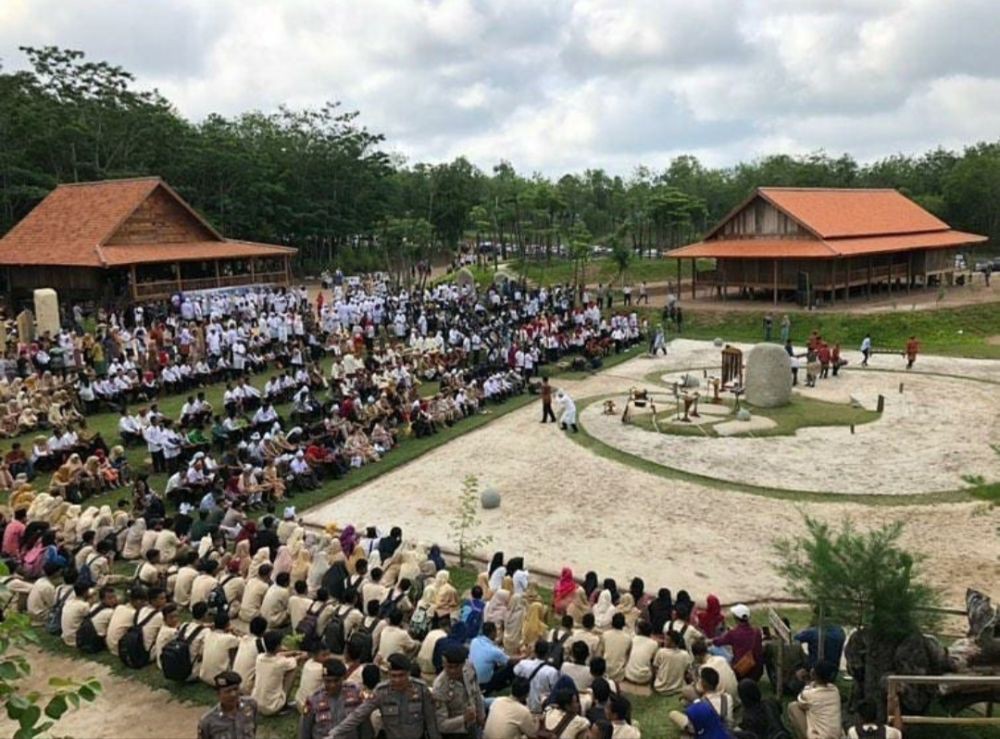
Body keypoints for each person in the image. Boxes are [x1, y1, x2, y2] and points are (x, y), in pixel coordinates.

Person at [331, 653, 440, 739]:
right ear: (388, 674)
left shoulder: (421, 689)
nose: (397, 680)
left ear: (408, 674)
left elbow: (431, 721)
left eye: (401, 675)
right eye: (393, 676)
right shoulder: (381, 692)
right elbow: (358, 714)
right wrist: (335, 733)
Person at [298, 658, 363, 739]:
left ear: (343, 678)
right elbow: (305, 731)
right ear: (323, 679)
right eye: (328, 681)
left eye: (336, 680)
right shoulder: (313, 700)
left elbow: (364, 725)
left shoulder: (355, 693)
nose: (332, 685)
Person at [432, 645, 485, 738]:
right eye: (449, 667)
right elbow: (441, 725)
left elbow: (476, 692)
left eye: (456, 667)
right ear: (443, 664)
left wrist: (481, 715)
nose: (452, 671)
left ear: (463, 664)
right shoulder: (440, 687)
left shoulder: (469, 668)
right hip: (455, 732)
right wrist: (464, 718)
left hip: (473, 723)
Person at [251, 629, 307, 716]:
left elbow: (278, 655)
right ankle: (283, 704)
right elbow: (294, 661)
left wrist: (293, 652)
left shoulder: (259, 657)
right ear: (278, 646)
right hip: (271, 707)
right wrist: (300, 656)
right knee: (293, 668)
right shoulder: (281, 663)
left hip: (256, 703)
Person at [788, 660, 842, 739]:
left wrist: (807, 682)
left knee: (793, 706)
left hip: (820, 736)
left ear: (813, 674)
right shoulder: (835, 690)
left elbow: (801, 702)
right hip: (836, 735)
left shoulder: (809, 694)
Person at [198, 670, 258, 739]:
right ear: (218, 694)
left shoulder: (250, 705)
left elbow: (253, 731)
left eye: (236, 689)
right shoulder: (208, 721)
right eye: (228, 691)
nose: (233, 694)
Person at [712, 604, 763, 681]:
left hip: (740, 672)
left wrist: (708, 640)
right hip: (756, 672)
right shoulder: (757, 632)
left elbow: (717, 642)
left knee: (713, 648)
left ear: (735, 618)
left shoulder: (733, 633)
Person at [513, 640, 560, 714]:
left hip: (524, 705)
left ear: (534, 651)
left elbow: (515, 671)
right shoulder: (552, 671)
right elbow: (555, 690)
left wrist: (528, 657)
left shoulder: (523, 664)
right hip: (543, 708)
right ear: (548, 653)